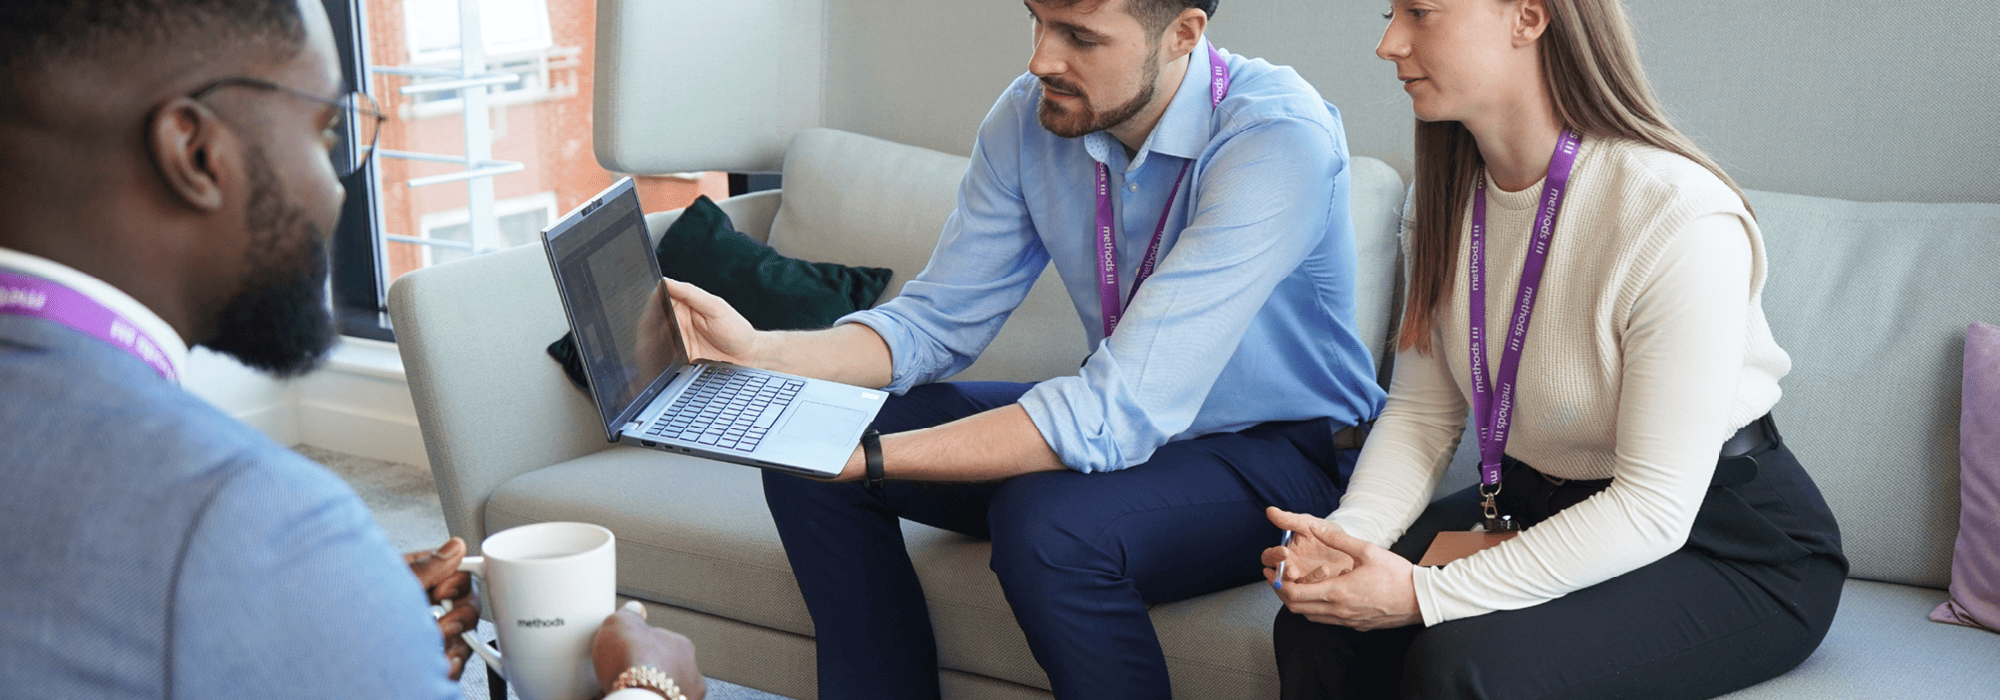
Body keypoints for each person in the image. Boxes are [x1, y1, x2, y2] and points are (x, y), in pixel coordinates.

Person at [662, 0, 1385, 697]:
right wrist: (760, 352)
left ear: (1183, 34)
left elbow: (1116, 407)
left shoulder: (1275, 138)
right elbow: (935, 323)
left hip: (1290, 455)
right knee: (805, 448)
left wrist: (870, 461)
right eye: (1036, 21)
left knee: (1047, 526)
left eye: (1079, 35)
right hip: (1134, 432)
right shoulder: (1031, 116)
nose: (1042, 58)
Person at [0, 1, 702, 697]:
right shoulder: (248, 517)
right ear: (196, 152)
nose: (337, 189)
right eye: (326, 130)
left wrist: (335, 625)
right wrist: (649, 689)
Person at [1259, 0, 1846, 697]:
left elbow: (1655, 507)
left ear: (1529, 17)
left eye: (1421, 12)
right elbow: (1422, 415)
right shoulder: (1445, 201)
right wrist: (1349, 540)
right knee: (1318, 624)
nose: (1389, 43)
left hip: (1727, 542)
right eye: (1390, 14)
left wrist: (1421, 595)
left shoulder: (1677, 214)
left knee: (1461, 667)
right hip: (1538, 502)